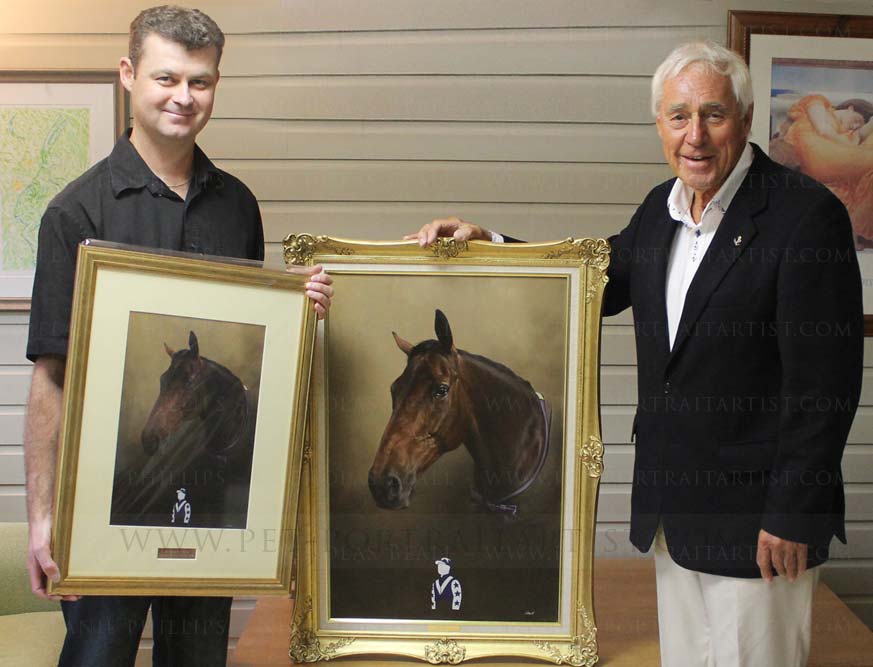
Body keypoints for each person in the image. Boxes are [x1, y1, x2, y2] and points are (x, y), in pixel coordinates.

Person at [407, 41, 863, 667]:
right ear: (659, 125)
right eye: (678, 116)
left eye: (713, 114)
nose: (694, 136)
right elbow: (589, 281)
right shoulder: (661, 211)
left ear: (747, 119)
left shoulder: (806, 217)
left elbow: (826, 386)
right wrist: (489, 242)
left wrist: (793, 513)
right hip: (674, 514)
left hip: (760, 526)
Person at [23, 6, 332, 666]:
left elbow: (251, 341)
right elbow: (51, 377)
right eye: (167, 78)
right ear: (130, 75)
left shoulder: (237, 206)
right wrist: (43, 518)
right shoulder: (74, 213)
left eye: (201, 82)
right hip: (105, 512)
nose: (183, 97)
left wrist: (297, 308)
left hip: (212, 510)